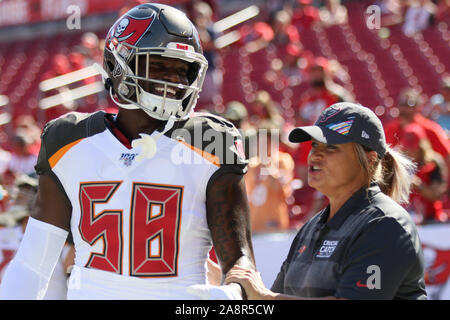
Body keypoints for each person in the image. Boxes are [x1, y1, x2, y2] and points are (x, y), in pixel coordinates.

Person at [0, 3, 255, 300]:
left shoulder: (211, 142)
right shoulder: (67, 141)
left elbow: (239, 261)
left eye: (183, 70)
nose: (175, 80)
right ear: (119, 65)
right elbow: (33, 264)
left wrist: (231, 294)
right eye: (159, 65)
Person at [223, 102, 427, 299]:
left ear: (369, 158)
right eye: (314, 145)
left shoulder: (385, 224)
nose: (315, 155)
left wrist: (263, 297)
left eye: (331, 147)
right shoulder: (312, 226)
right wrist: (226, 281)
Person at [0, 174, 71, 299]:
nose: (20, 196)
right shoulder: (4, 233)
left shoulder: (60, 239)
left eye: (28, 191)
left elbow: (77, 276)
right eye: (21, 191)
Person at [398, 124, 448, 224]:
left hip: (431, 220)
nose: (410, 152)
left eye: (413, 148)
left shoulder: (433, 163)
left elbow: (437, 196)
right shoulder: (399, 163)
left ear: (421, 147)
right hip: (405, 219)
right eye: (407, 148)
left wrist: (419, 186)